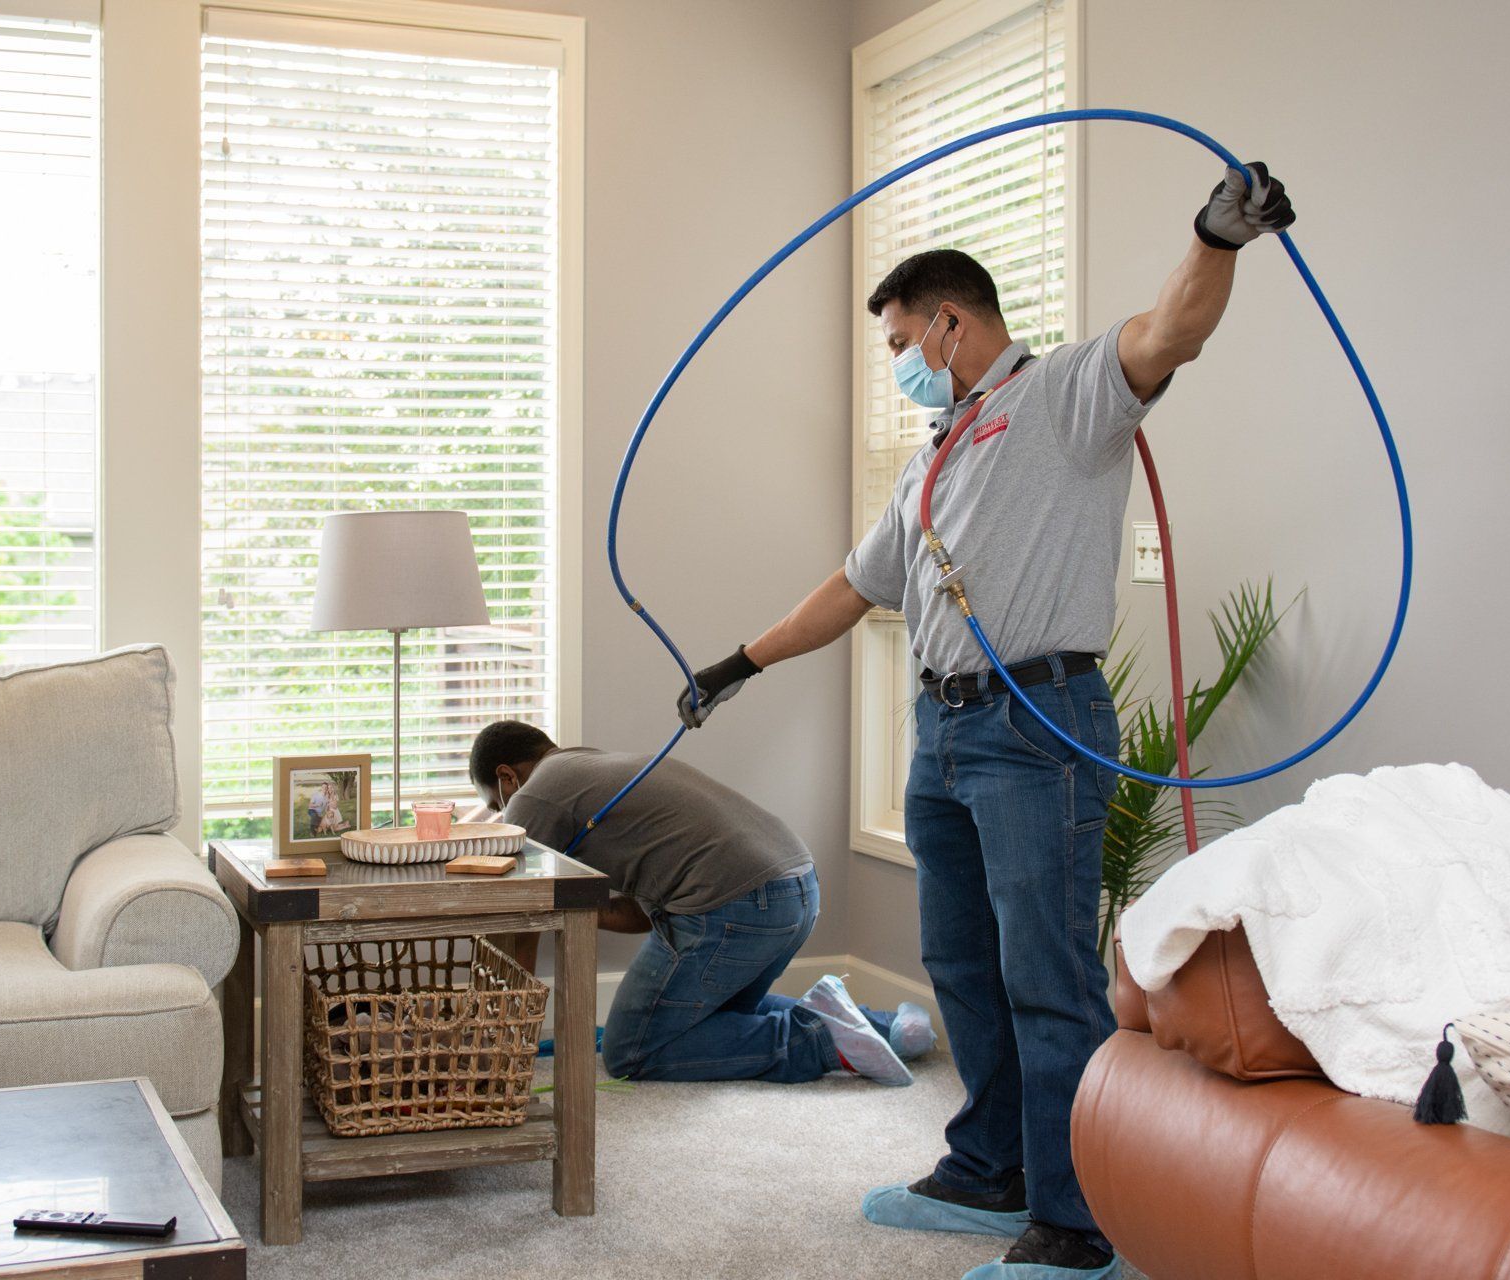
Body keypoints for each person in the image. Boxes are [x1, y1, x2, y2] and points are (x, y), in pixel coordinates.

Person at [673, 165, 1295, 1278]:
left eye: (904, 339)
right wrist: (736, 663)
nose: (901, 365)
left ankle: (1080, 1218)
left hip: (1038, 725)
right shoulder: (930, 460)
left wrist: (1215, 237)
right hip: (944, 733)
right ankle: (990, 1164)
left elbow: (1169, 332)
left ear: (951, 324)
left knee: (1048, 973)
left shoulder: (1063, 396)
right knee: (960, 959)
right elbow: (854, 585)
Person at [468, 719, 934, 1084]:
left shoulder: (534, 795)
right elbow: (638, 914)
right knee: (721, 1017)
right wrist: (565, 905)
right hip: (797, 890)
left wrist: (503, 1035)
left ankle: (823, 1043)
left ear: (507, 776)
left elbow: (517, 920)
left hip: (739, 905)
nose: (503, 815)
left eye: (496, 804)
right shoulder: (590, 772)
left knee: (631, 1051)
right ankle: (887, 1027)